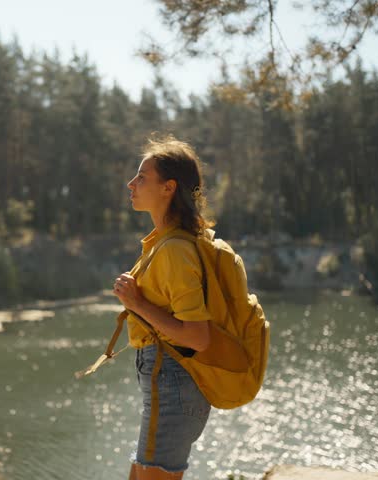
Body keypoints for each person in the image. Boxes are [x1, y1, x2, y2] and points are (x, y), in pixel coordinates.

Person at [112, 135, 215, 480]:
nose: (131, 183)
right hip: (165, 382)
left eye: (141, 177)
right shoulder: (167, 242)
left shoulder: (174, 248)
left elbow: (198, 337)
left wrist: (136, 303)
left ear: (168, 187)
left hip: (172, 380)